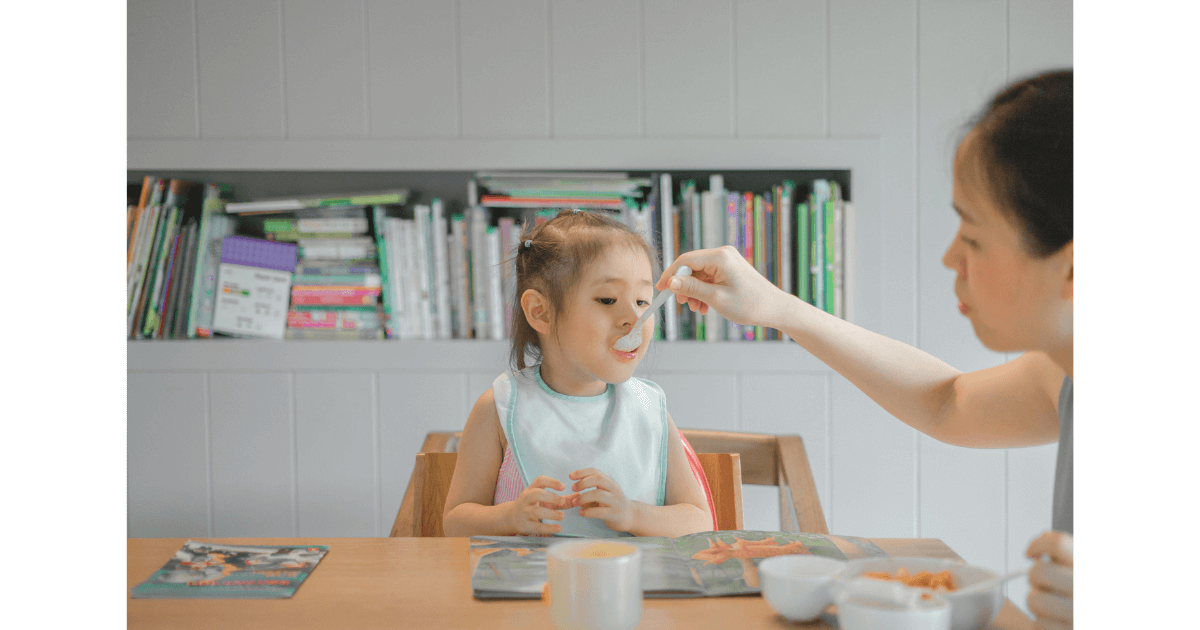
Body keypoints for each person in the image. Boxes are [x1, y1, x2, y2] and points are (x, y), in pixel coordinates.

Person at [658, 69, 1073, 628]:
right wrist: (776, 307)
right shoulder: (1063, 375)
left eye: (972, 237)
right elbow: (949, 402)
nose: (951, 257)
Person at [442, 210, 711, 538]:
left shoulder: (650, 410)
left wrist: (631, 514)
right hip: (531, 587)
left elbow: (699, 522)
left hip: (633, 586)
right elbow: (455, 523)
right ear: (540, 312)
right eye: (608, 299)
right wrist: (509, 517)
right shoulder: (497, 409)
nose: (634, 318)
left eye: (643, 301)